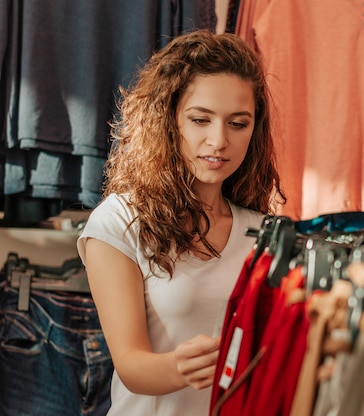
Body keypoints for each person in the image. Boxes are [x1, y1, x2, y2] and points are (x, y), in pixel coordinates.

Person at [77, 29, 285, 415]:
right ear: (169, 120)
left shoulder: (265, 232)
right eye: (200, 120)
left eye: (238, 123)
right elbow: (131, 365)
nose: (219, 140)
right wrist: (179, 365)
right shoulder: (120, 220)